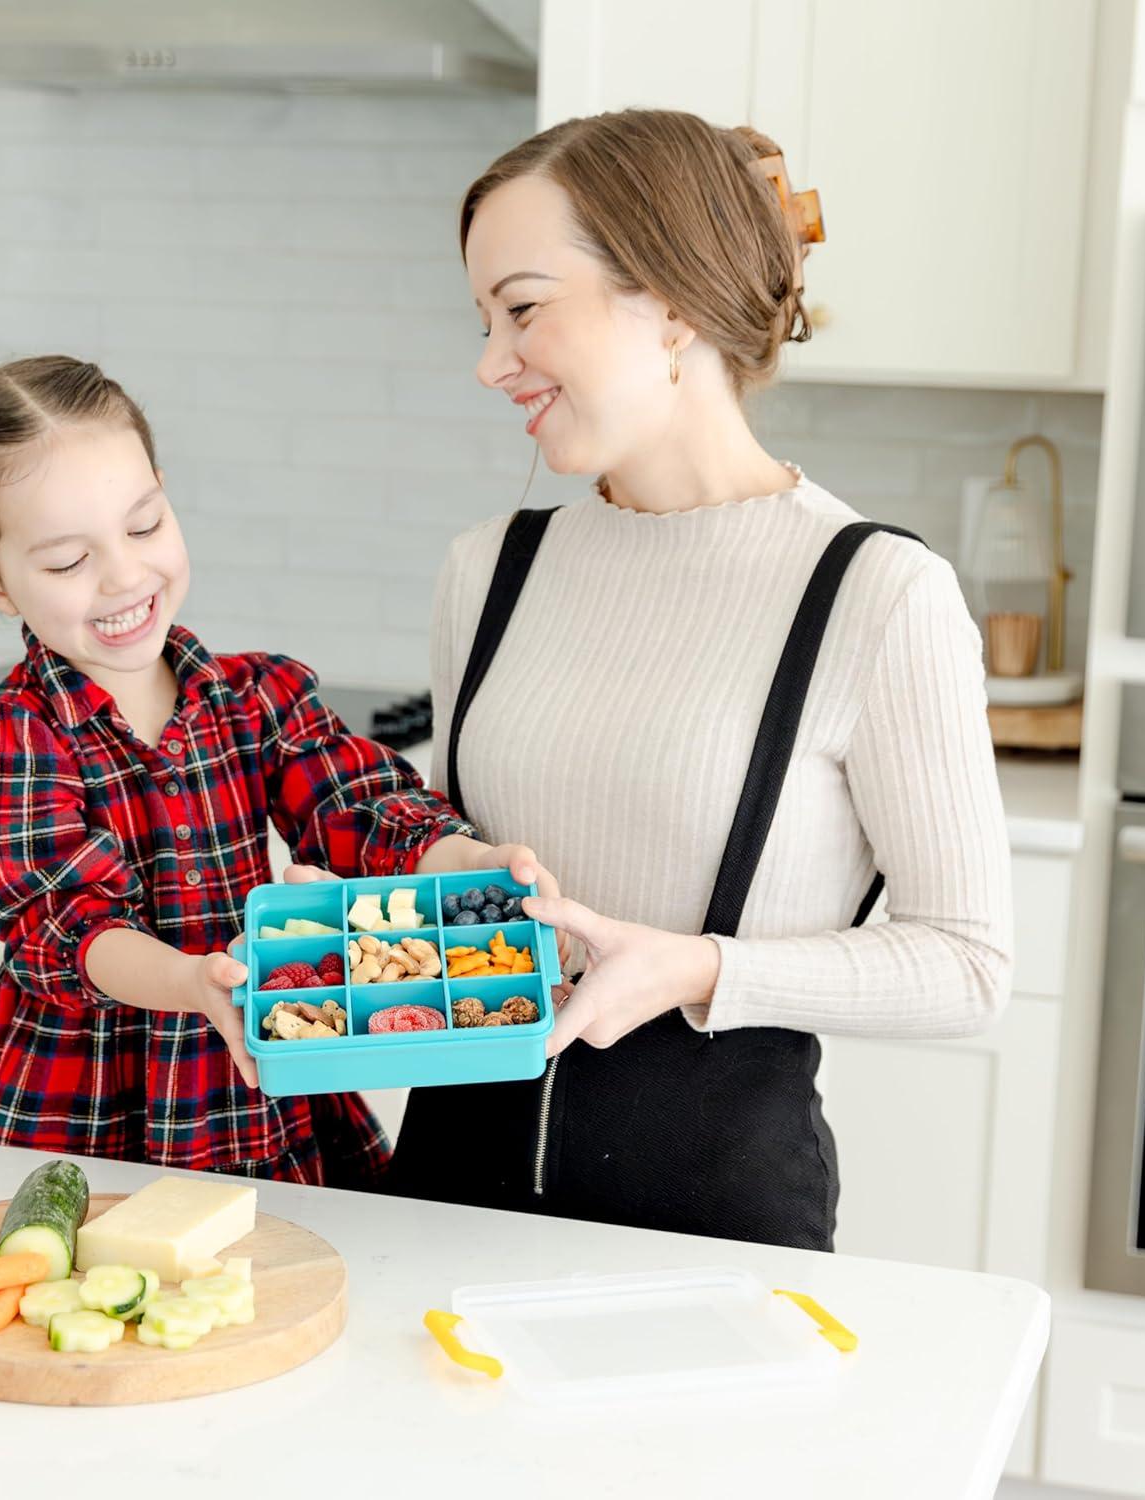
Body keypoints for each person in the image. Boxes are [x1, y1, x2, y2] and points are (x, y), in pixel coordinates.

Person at [386, 110, 1013, 1250]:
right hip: (439, 1205)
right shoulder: (490, 568)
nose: (490, 362)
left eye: (522, 308)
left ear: (670, 299)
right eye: (483, 319)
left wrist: (696, 967)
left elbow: (967, 966)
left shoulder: (874, 594)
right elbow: (455, 885)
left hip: (710, 1231)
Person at [0, 354, 548, 1184]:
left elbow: (358, 806)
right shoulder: (0, 742)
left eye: (144, 525)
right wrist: (194, 983)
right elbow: (66, 930)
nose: (125, 574)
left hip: (263, 1089)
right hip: (91, 1107)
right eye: (67, 562)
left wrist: (470, 866)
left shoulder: (256, 696)